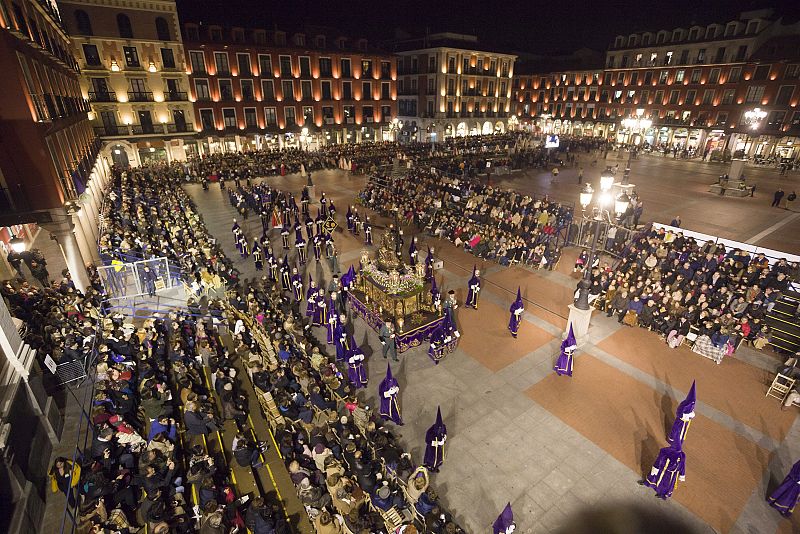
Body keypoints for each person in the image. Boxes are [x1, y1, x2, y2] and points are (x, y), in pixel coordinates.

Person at [667, 381, 696, 445]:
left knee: (682, 433)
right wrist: (686, 416)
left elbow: (692, 411)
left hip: (685, 422)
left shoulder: (692, 404)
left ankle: (679, 442)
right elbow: (679, 412)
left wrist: (691, 415)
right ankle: (673, 441)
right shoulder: (684, 404)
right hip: (680, 422)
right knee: (676, 431)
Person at [424, 407, 447, 472]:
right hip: (432, 448)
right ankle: (429, 466)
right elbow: (427, 440)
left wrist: (444, 438)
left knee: (438, 458)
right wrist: (436, 443)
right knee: (431, 459)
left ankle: (435, 467)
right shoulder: (430, 432)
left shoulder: (443, 427)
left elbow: (445, 433)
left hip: (439, 448)